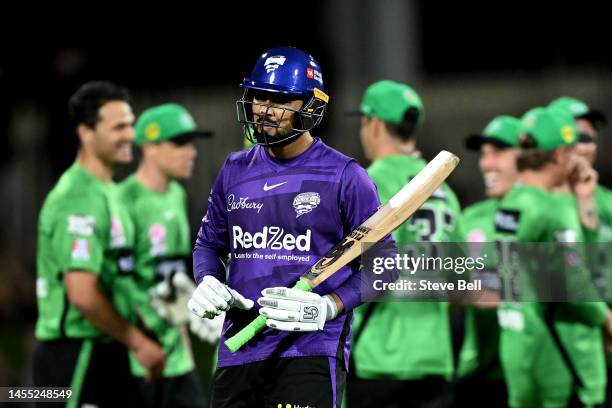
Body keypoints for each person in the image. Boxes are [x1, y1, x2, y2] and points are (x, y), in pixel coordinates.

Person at [187, 46, 397, 408]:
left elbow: (386, 265)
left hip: (310, 352)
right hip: (240, 350)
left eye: (279, 100)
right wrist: (207, 278)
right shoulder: (234, 170)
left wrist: (330, 306)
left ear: (308, 106)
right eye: (258, 96)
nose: (264, 110)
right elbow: (209, 244)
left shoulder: (345, 177)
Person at [33, 81, 165, 407]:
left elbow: (118, 276)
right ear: (86, 133)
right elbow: (82, 293)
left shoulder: (109, 191)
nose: (130, 136)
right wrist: (138, 342)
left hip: (107, 350)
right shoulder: (77, 196)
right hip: (75, 356)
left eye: (131, 124)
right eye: (118, 127)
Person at [345, 80, 461, 407]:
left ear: (375, 124)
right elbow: (461, 282)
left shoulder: (370, 181)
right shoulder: (445, 191)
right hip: (435, 358)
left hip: (379, 357)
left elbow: (345, 267)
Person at [495, 106, 612, 407]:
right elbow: (575, 280)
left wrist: (583, 198)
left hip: (516, 345)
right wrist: (607, 319)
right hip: (554, 354)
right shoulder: (549, 210)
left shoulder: (511, 203)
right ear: (560, 154)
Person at [118, 103, 216, 407]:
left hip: (175, 356)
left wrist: (188, 313)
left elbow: (172, 274)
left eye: (192, 143)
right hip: (137, 359)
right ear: (148, 147)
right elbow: (117, 283)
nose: (191, 152)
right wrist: (139, 340)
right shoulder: (123, 200)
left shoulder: (177, 195)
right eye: (179, 143)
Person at [455, 115, 521, 407]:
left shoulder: (546, 214)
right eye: (484, 154)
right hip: (480, 374)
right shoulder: (471, 219)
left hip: (533, 367)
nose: (486, 164)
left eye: (498, 152)